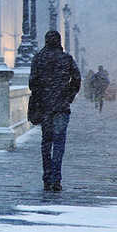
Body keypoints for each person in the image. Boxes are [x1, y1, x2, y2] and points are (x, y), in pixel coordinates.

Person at [29, 30, 81, 192]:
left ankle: (46, 176)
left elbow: (32, 83)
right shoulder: (66, 58)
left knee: (46, 142)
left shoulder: (39, 58)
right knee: (59, 143)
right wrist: (69, 95)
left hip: (45, 107)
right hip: (61, 106)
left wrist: (42, 95)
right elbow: (77, 79)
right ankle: (56, 178)